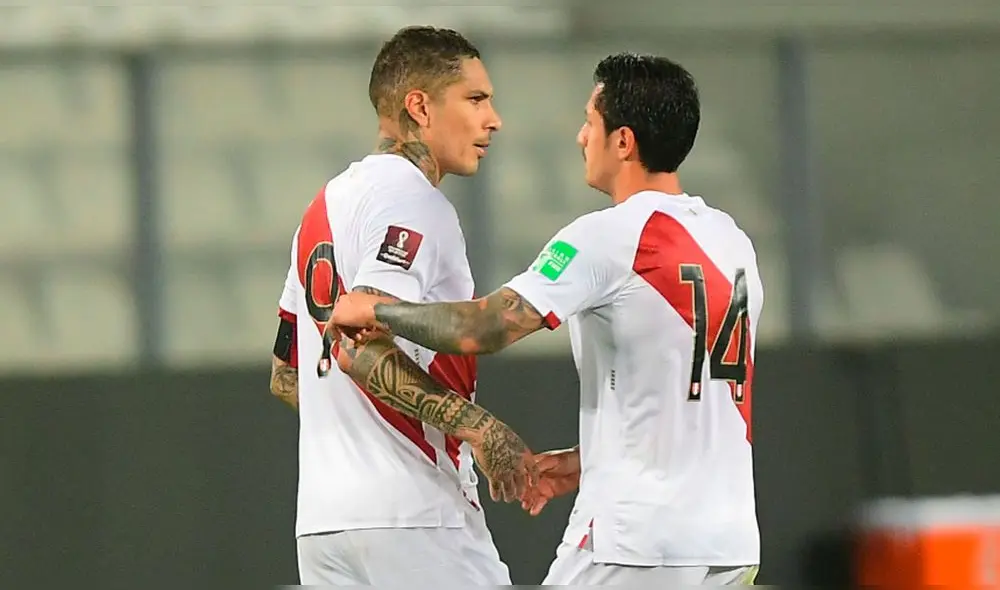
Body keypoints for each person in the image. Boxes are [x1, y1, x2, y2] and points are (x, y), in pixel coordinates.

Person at [331, 52, 763, 585]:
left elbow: (485, 326)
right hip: (729, 540)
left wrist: (377, 308)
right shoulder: (732, 242)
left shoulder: (608, 236)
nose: (582, 137)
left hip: (637, 538)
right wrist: (590, 459)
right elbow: (697, 394)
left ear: (623, 142)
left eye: (590, 122)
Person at [268, 25, 535, 586]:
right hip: (415, 516)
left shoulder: (321, 208)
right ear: (420, 106)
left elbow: (287, 375)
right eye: (475, 99)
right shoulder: (412, 200)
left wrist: (353, 434)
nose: (493, 119)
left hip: (323, 526)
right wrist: (479, 428)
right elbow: (359, 342)